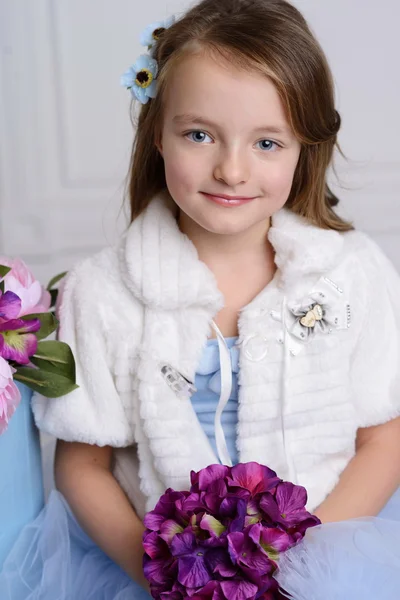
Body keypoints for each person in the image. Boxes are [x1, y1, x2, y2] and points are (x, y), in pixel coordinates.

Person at [1, 0, 400, 598]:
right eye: (198, 135)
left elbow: (383, 438)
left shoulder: (351, 272)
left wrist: (300, 572)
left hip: (329, 552)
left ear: (303, 148)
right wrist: (164, 579)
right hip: (161, 571)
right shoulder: (102, 293)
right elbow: (82, 465)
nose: (232, 171)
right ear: (157, 135)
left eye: (267, 143)